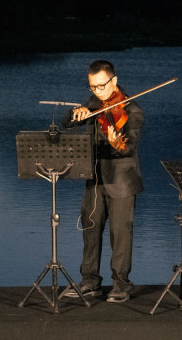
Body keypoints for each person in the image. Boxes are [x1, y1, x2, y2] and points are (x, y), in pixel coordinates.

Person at [61, 60, 144, 303]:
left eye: (101, 86)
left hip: (121, 181)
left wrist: (115, 141)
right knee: (90, 230)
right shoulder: (95, 103)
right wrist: (76, 114)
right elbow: (69, 122)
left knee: (120, 235)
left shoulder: (133, 110)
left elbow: (128, 148)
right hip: (94, 178)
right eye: (93, 87)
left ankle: (121, 284)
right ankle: (90, 282)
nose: (98, 92)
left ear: (114, 81)